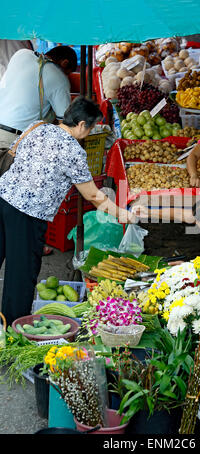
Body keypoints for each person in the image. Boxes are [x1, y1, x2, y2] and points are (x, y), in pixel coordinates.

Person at [0, 96, 137, 326]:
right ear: (83, 125)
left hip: (3, 197)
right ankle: (11, 328)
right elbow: (93, 195)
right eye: (92, 127)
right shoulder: (73, 151)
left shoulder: (37, 126)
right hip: (28, 214)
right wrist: (122, 214)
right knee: (20, 274)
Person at [0, 45, 78, 148]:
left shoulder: (21, 53)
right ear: (65, 63)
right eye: (67, 73)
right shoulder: (59, 77)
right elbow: (67, 125)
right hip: (15, 140)